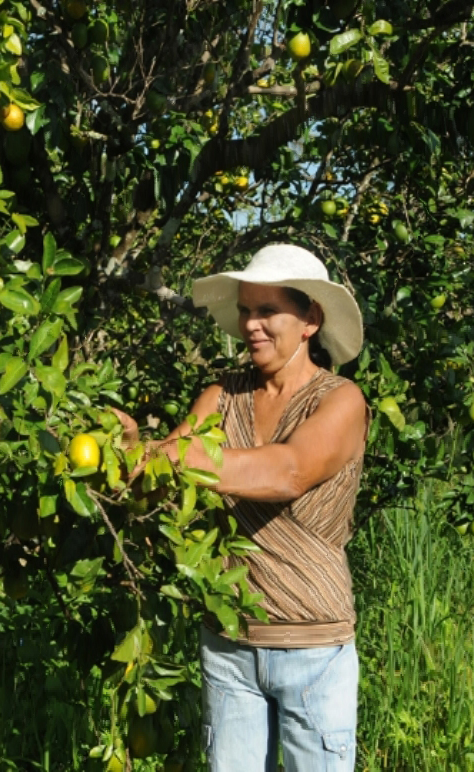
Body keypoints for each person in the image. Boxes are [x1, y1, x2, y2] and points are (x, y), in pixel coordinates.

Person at [121, 244, 368, 771]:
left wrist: (165, 456)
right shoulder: (221, 396)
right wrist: (130, 458)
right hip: (228, 645)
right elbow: (164, 478)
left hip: (313, 650)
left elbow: (289, 471)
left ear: (310, 320)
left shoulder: (340, 401)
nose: (251, 324)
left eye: (267, 310)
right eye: (246, 311)